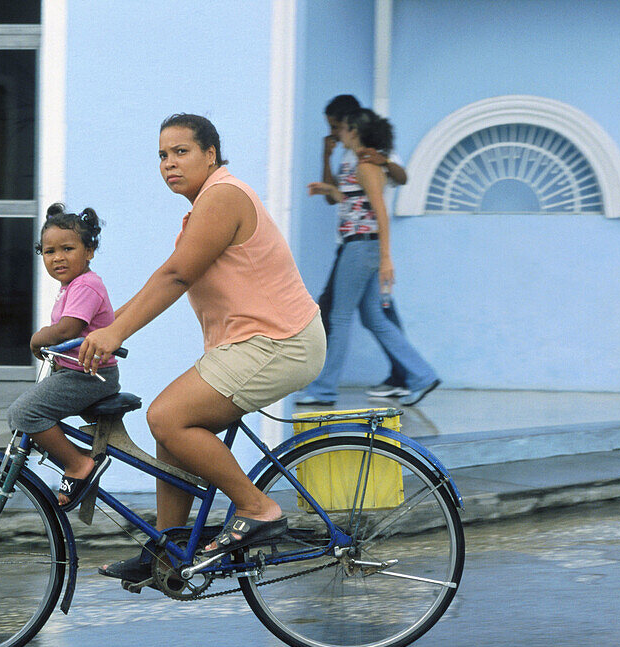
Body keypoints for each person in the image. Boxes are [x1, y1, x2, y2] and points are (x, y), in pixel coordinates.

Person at [77, 114, 325, 582]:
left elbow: (175, 277)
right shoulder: (206, 205)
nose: (169, 163)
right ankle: (167, 549)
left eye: (181, 152)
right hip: (253, 344)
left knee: (167, 417)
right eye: (162, 156)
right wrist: (100, 328)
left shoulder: (223, 196)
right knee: (171, 427)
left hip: (280, 342)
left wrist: (116, 335)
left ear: (211, 154)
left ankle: (257, 507)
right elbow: (167, 274)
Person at [300, 109, 440, 408]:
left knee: (338, 316)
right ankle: (422, 376)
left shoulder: (366, 166)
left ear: (354, 130)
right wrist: (330, 190)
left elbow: (380, 211)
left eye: (342, 129)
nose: (338, 134)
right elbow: (358, 203)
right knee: (374, 317)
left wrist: (386, 259)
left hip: (361, 248)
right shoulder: (358, 166)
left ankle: (323, 390)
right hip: (363, 247)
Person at [6, 203, 119, 510]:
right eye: (49, 251)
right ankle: (74, 463)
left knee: (24, 414)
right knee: (22, 416)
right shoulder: (72, 286)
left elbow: (69, 329)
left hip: (90, 376)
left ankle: (78, 465)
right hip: (75, 372)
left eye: (68, 248)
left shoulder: (86, 285)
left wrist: (38, 338)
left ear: (89, 251)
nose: (57, 258)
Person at [314, 94, 412, 400]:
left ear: (348, 123)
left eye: (334, 126)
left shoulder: (371, 147)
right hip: (349, 242)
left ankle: (406, 376)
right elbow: (336, 197)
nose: (331, 132)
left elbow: (400, 177)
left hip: (363, 242)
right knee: (372, 314)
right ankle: (412, 375)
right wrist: (325, 157)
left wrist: (382, 160)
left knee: (344, 312)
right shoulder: (345, 152)